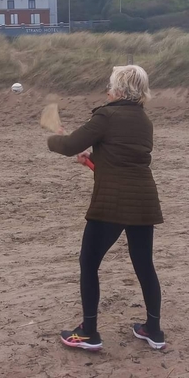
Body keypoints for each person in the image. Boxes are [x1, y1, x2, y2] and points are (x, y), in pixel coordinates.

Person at [48, 64, 165, 352]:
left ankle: (89, 332)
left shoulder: (106, 115)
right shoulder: (144, 120)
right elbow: (122, 162)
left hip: (111, 203)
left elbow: (68, 144)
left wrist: (52, 140)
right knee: (144, 264)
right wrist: (92, 159)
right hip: (143, 200)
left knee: (89, 263)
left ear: (120, 89)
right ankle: (153, 329)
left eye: (111, 85)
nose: (108, 90)